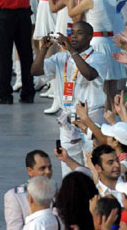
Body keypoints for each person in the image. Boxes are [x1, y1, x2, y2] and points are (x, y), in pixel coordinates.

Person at [31, 22, 109, 176]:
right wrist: (44, 48)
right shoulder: (61, 57)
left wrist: (72, 50)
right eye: (72, 32)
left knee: (93, 166)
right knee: (69, 168)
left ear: (89, 37)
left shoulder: (99, 57)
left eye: (79, 33)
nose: (73, 36)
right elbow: (35, 71)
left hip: (91, 120)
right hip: (68, 120)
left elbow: (90, 74)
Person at [4, 150, 54, 230]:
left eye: (50, 167)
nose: (48, 172)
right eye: (42, 168)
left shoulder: (55, 192)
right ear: (30, 171)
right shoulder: (15, 196)